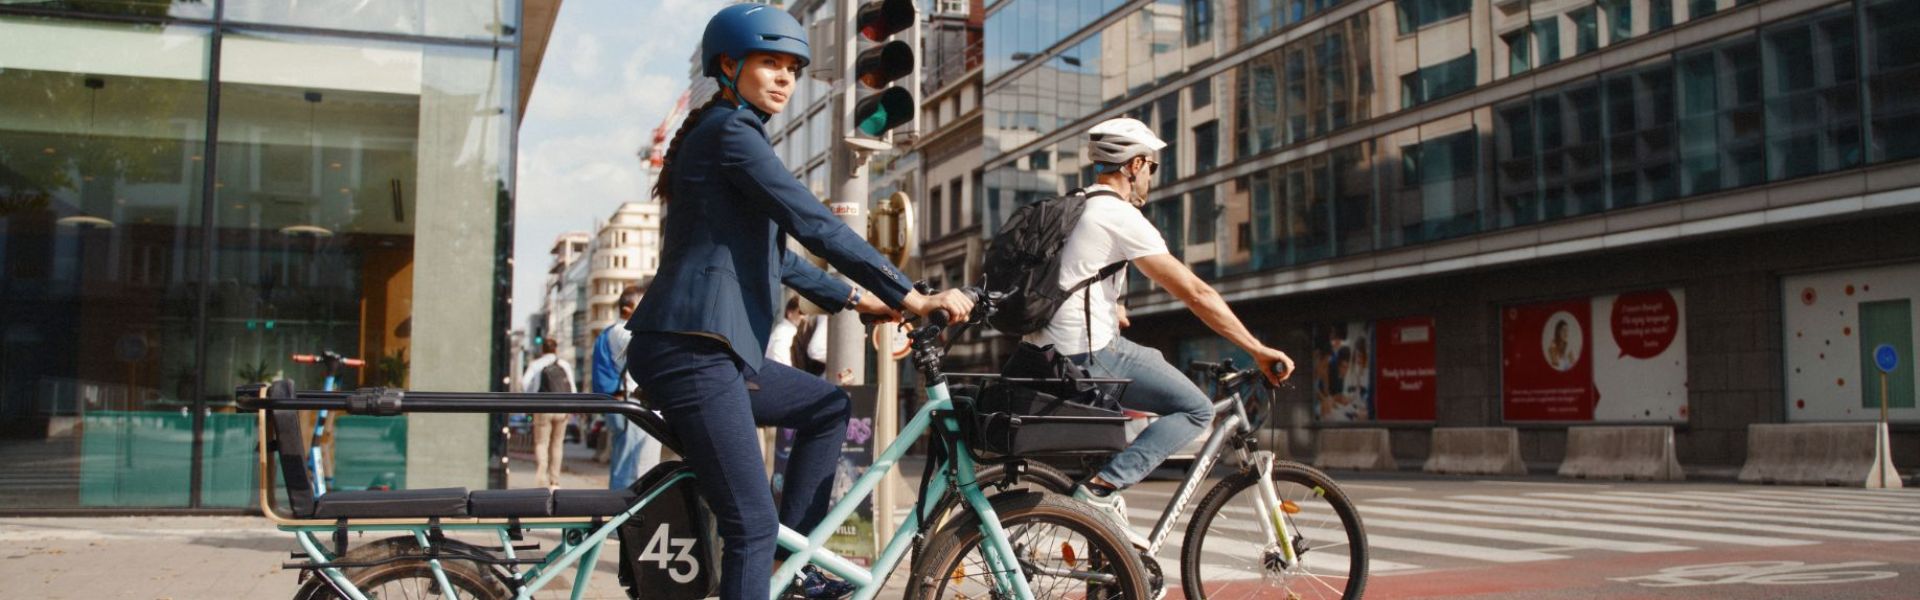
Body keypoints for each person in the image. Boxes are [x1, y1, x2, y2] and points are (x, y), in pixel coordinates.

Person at [623, 6, 975, 599]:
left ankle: (797, 562)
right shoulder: (731, 135)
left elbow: (776, 258)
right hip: (691, 352)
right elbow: (814, 223)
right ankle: (776, 559)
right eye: (770, 63)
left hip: (717, 353)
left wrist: (860, 300)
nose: (784, 78)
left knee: (827, 408)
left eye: (792, 67)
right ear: (729, 66)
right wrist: (910, 294)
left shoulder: (731, 135)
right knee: (749, 524)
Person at [1034, 117, 1296, 546]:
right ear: (1135, 165)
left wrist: (1110, 306)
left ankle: (1110, 548)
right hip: (1088, 356)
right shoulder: (1118, 214)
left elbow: (1067, 279)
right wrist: (1257, 349)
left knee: (1149, 363)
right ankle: (1100, 491)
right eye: (1151, 167)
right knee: (1196, 409)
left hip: (1046, 356)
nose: (1151, 176)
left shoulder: (1072, 207)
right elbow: (1194, 292)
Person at [597, 285, 660, 490]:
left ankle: (622, 511)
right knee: (633, 464)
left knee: (626, 461)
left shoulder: (610, 332)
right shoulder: (623, 333)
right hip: (631, 403)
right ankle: (627, 513)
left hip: (623, 403)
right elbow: (652, 353)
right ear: (627, 308)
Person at [519, 338, 576, 489]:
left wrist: (531, 399)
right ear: (555, 349)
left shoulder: (536, 364)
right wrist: (571, 408)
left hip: (543, 406)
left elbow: (524, 383)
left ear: (542, 349)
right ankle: (555, 481)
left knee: (541, 443)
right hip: (562, 408)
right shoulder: (564, 365)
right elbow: (572, 387)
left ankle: (541, 475)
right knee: (557, 444)